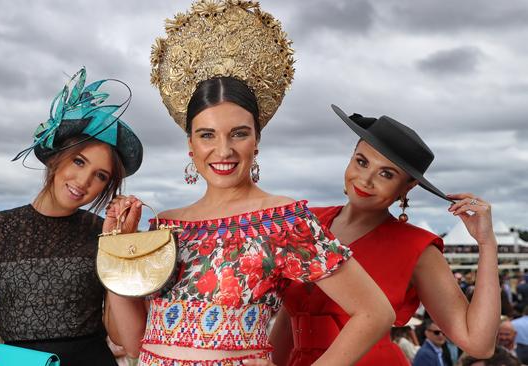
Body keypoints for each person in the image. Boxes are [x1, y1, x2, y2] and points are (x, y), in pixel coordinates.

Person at [106, 1, 396, 365]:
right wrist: (117, 251)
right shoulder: (166, 224)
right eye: (207, 135)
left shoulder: (283, 221)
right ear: (191, 145)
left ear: (256, 141)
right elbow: (135, 344)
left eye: (238, 134)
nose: (223, 150)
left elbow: (374, 314)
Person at [270, 105, 500, 365]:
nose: (366, 180)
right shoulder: (306, 222)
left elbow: (479, 344)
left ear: (407, 187)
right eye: (361, 161)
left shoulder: (417, 248)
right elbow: (290, 319)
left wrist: (487, 244)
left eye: (386, 174)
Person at [0, 67, 143, 366]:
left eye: (100, 176)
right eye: (79, 161)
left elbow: (118, 335)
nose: (83, 181)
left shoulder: (101, 233)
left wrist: (118, 249)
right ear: (55, 157)